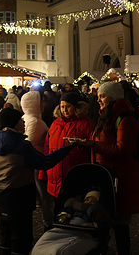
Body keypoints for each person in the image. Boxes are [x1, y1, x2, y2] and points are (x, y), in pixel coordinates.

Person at [0, 108, 77, 255]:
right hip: (20, 194)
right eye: (20, 120)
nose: (24, 122)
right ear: (14, 123)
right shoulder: (21, 145)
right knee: (22, 237)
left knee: (6, 235)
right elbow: (45, 162)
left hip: (1, 194)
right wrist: (66, 149)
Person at [80, 82, 139, 255]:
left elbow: (122, 149)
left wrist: (93, 145)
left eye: (102, 96)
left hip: (120, 177)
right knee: (103, 219)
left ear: (113, 97)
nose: (98, 99)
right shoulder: (105, 116)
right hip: (104, 175)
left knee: (120, 224)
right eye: (98, 96)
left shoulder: (126, 119)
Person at [39, 91, 95, 226]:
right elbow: (47, 148)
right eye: (62, 106)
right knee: (56, 211)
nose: (65, 110)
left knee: (72, 210)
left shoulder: (86, 124)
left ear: (76, 107)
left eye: (68, 106)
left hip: (74, 175)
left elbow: (92, 148)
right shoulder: (55, 124)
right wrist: (43, 171)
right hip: (54, 175)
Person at [20, 89, 51, 230]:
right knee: (44, 196)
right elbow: (29, 144)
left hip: (34, 163)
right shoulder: (34, 122)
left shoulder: (27, 118)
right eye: (41, 101)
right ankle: (48, 224)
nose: (44, 104)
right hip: (37, 163)